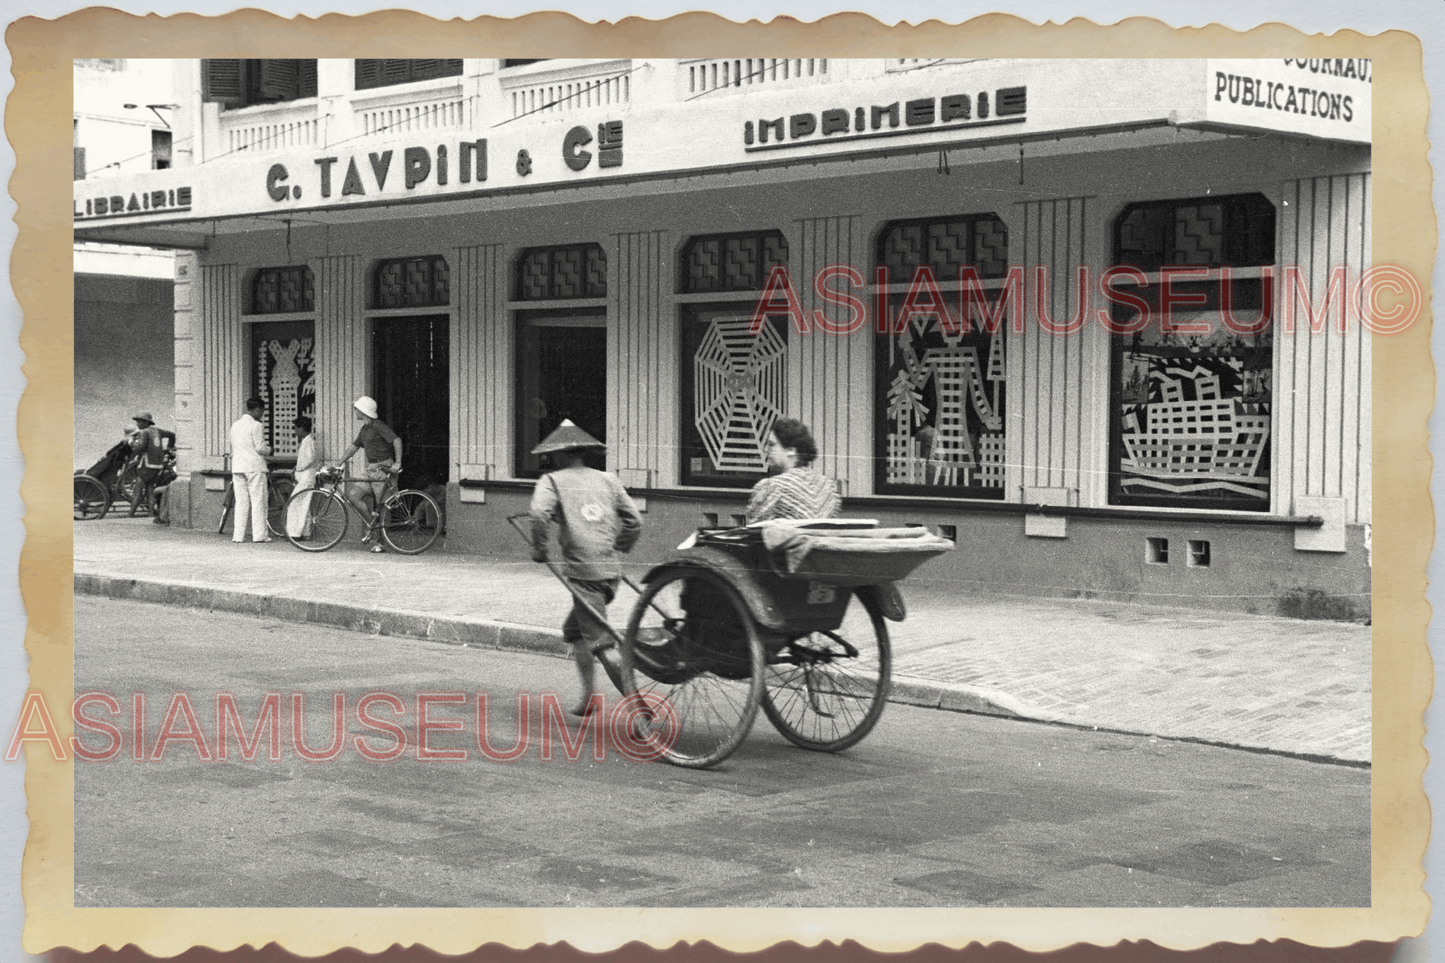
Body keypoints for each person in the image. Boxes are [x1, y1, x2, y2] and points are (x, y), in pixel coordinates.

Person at [529, 420, 643, 717]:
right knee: (575, 631)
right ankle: (590, 696)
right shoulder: (608, 479)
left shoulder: (551, 481)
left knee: (602, 644)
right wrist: (617, 546)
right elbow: (635, 521)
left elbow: (540, 514)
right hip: (610, 573)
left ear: (562, 454)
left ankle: (639, 707)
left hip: (584, 576)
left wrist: (539, 549)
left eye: (554, 455)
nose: (552, 460)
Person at [331, 396, 401, 554]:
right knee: (353, 495)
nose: (355, 411)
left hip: (383, 468)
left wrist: (397, 463)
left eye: (356, 409)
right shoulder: (365, 429)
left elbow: (397, 440)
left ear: (363, 411)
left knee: (383, 506)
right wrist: (339, 463)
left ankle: (381, 542)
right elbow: (353, 447)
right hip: (370, 468)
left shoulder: (378, 426)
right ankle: (373, 527)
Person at [745, 417, 842, 524]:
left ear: (791, 450)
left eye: (772, 445)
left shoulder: (771, 487)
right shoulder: (829, 488)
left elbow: (753, 533)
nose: (766, 450)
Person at [229, 397, 272, 543]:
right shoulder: (256, 425)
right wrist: (269, 450)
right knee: (258, 502)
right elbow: (260, 448)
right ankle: (259, 535)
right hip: (254, 467)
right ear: (257, 409)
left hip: (238, 467)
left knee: (241, 502)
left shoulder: (235, 425)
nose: (262, 415)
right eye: (262, 412)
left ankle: (238, 536)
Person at [126, 411, 177, 522]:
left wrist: (131, 442)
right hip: (157, 465)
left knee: (138, 490)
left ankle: (130, 514)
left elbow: (140, 447)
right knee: (149, 489)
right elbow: (172, 435)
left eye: (139, 421)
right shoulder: (157, 430)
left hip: (146, 465)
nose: (137, 424)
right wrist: (169, 448)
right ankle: (150, 514)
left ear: (145, 422)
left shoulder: (144, 432)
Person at [285, 415, 320, 539]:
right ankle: (305, 532)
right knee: (304, 506)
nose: (294, 431)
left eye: (295, 428)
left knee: (296, 504)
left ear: (301, 428)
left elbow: (309, 458)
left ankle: (294, 533)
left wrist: (298, 468)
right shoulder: (309, 441)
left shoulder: (308, 441)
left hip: (306, 477)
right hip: (307, 477)